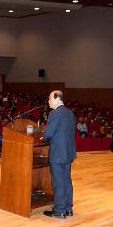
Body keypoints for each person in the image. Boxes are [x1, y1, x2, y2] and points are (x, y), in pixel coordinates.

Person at [42, 90, 76, 219]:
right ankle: (68, 208)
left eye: (50, 99)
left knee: (58, 182)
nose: (48, 101)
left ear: (57, 99)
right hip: (68, 152)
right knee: (67, 180)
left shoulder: (55, 113)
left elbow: (49, 134)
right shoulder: (69, 113)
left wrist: (43, 137)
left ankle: (59, 210)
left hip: (58, 153)